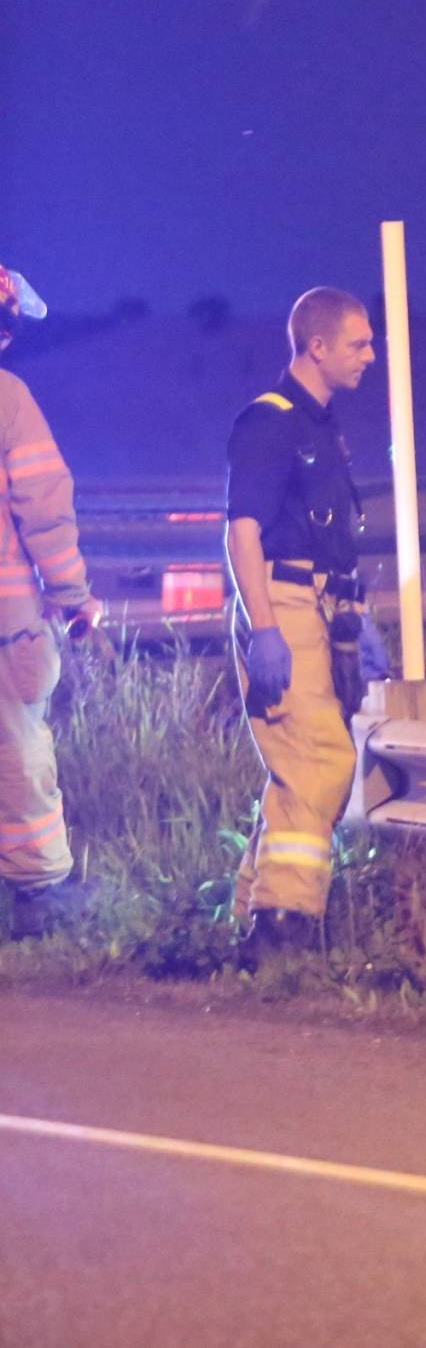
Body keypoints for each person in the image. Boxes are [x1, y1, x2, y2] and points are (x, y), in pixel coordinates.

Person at [224, 287, 390, 959]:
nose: (371, 356)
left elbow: (330, 536)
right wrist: (264, 626)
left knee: (299, 765)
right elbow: (242, 533)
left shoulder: (321, 425)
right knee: (321, 759)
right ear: (316, 347)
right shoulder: (269, 422)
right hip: (282, 603)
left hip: (321, 607)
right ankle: (285, 923)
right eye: (359, 343)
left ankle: (255, 919)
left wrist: (356, 617)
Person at [0, 261, 106, 940]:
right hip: (6, 626)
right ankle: (38, 894)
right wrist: (74, 599)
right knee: (16, 752)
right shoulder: (7, 398)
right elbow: (43, 509)